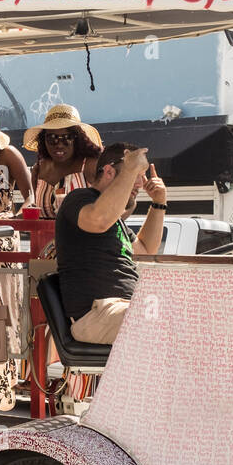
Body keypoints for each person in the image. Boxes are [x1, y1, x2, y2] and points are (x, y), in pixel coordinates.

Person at [55, 142, 167, 346]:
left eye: (143, 175)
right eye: (136, 175)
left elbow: (145, 249)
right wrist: (130, 169)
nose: (141, 183)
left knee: (188, 313)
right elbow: (98, 220)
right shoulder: (80, 198)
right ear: (108, 171)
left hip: (125, 308)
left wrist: (159, 203)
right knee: (166, 320)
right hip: (97, 313)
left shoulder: (115, 219)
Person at [24, 104, 104, 219]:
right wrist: (11, 217)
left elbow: (113, 207)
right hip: (45, 237)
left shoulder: (90, 165)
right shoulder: (39, 169)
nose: (59, 145)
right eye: (52, 138)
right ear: (43, 140)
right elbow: (33, 210)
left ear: (77, 139)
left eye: (67, 138)